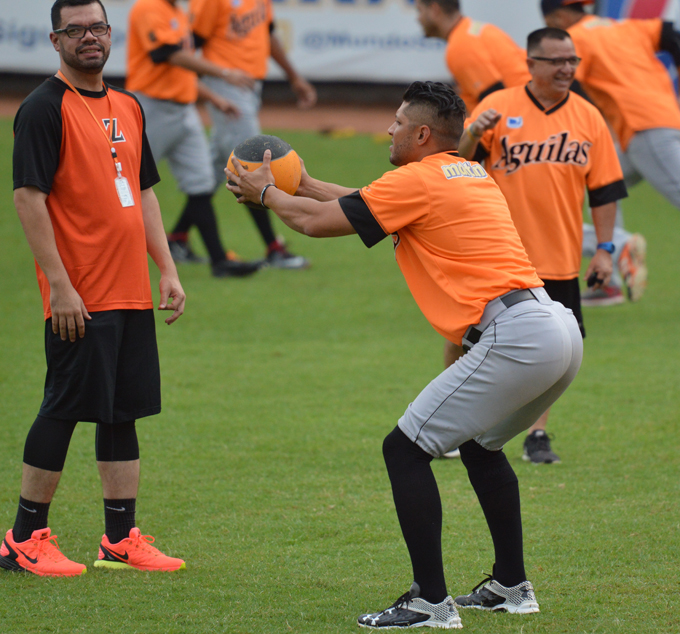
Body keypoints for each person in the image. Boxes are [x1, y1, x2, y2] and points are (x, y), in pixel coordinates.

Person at [228, 81, 583, 628]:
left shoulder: (419, 180)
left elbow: (313, 223)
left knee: (405, 449)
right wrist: (302, 182)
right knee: (481, 448)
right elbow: (368, 203)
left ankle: (429, 601)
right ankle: (512, 587)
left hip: (516, 336)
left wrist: (268, 195)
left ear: (421, 134)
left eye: (396, 122)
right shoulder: (463, 172)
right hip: (557, 328)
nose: (387, 129)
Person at [0, 0, 186, 577]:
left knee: (120, 413)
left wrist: (168, 268)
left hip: (130, 289)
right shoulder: (42, 108)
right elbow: (28, 197)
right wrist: (59, 284)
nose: (90, 38)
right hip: (80, 294)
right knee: (63, 408)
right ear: (54, 40)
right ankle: (24, 538)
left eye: (98, 28)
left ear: (111, 35)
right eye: (76, 30)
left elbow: (144, 191)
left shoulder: (129, 104)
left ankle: (120, 537)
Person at [456, 27, 626, 464]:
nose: (567, 68)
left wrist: (605, 248)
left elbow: (604, 191)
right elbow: (455, 167)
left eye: (572, 61)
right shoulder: (496, 108)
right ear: (531, 64)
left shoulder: (589, 117)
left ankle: (537, 434)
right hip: (496, 254)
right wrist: (473, 132)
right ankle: (459, 422)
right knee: (467, 338)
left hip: (559, 258)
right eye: (557, 61)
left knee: (555, 354)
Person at [541, 0, 680, 301]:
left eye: (552, 24)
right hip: (648, 126)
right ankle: (608, 282)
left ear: (560, 16)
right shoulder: (623, 27)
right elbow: (670, 33)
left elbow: (570, 88)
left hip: (645, 130)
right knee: (600, 188)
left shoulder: (575, 38)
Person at [126, 0, 261, 278]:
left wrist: (215, 98)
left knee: (200, 186)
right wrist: (224, 73)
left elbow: (181, 70)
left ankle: (219, 261)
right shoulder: (148, 8)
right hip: (151, 109)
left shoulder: (177, 11)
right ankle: (106, 254)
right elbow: (167, 54)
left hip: (185, 109)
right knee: (126, 183)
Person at [190, 0, 317, 269]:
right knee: (253, 164)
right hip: (226, 85)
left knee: (211, 171)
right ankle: (273, 248)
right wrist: (219, 77)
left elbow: (267, 33)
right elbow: (188, 47)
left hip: (249, 85)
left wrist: (294, 77)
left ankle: (177, 237)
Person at [413, 0, 530, 114]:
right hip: (529, 106)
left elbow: (495, 104)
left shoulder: (459, 45)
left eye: (419, 10)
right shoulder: (475, 29)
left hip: (524, 115)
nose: (417, 18)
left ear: (434, 9)